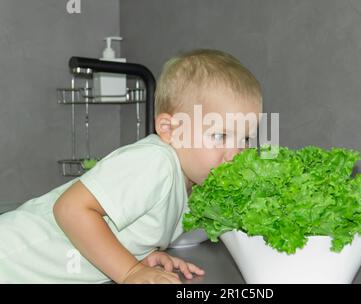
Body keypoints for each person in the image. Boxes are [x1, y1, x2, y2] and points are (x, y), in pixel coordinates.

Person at [0, 49, 263, 284]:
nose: (237, 153)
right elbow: (70, 209)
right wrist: (130, 271)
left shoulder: (187, 184)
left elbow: (123, 223)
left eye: (246, 139)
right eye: (221, 135)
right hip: (11, 260)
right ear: (171, 130)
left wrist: (143, 255)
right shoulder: (155, 162)